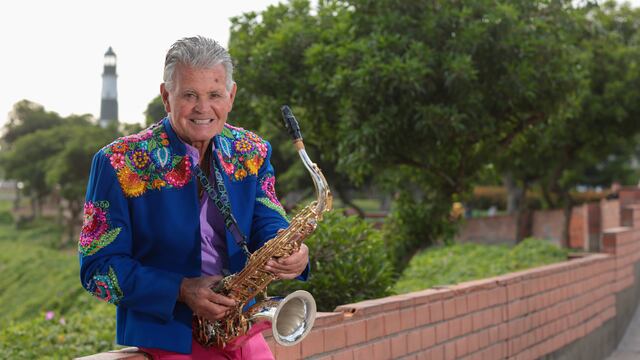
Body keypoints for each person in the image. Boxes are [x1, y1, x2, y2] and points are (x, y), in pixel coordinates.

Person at [79, 36, 309, 359]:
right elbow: (97, 269)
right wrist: (181, 290)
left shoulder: (253, 151)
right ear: (166, 97)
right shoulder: (118, 163)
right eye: (189, 95)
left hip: (239, 327)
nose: (203, 108)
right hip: (168, 334)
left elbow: (269, 220)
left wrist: (292, 251)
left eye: (214, 94)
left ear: (231, 96)